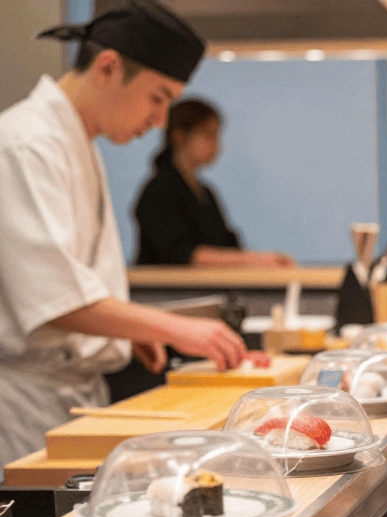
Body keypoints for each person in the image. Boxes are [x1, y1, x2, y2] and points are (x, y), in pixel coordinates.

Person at [0, 0, 246, 468]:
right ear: (108, 68)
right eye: (158, 97)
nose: (160, 121)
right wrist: (171, 327)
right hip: (22, 402)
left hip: (72, 390)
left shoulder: (76, 142)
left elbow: (74, 279)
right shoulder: (25, 143)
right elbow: (57, 299)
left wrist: (120, 332)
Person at [134, 98, 295, 268]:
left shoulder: (205, 192)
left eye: (216, 136)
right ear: (179, 135)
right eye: (207, 135)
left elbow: (226, 245)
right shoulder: (158, 190)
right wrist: (254, 260)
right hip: (163, 291)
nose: (215, 144)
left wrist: (260, 259)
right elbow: (181, 253)